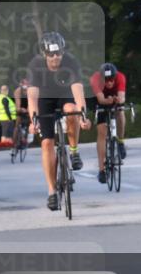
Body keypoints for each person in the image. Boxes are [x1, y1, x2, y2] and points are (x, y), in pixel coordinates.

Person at [26, 31, 91, 210]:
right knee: (47, 144)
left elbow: (78, 92)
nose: (55, 58)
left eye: (58, 53)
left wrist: (83, 115)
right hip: (44, 98)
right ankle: (52, 191)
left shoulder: (71, 62)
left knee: (72, 110)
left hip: (64, 94)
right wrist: (33, 120)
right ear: (44, 54)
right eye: (51, 54)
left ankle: (74, 151)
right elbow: (32, 97)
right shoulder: (35, 65)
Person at [90, 62, 127, 184]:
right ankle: (101, 170)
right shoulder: (95, 79)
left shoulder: (120, 77)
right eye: (106, 80)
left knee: (120, 112)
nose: (109, 82)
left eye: (111, 79)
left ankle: (120, 141)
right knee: (102, 132)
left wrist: (118, 100)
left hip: (114, 98)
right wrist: (108, 101)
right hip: (101, 101)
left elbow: (122, 97)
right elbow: (101, 99)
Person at [13, 78, 32, 147]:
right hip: (21, 107)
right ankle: (15, 143)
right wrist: (20, 109)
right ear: (21, 84)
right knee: (17, 124)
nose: (25, 86)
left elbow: (31, 101)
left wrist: (28, 109)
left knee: (31, 121)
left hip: (29, 106)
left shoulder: (30, 90)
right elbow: (17, 103)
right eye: (24, 84)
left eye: (27, 84)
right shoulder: (18, 91)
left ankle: (27, 139)